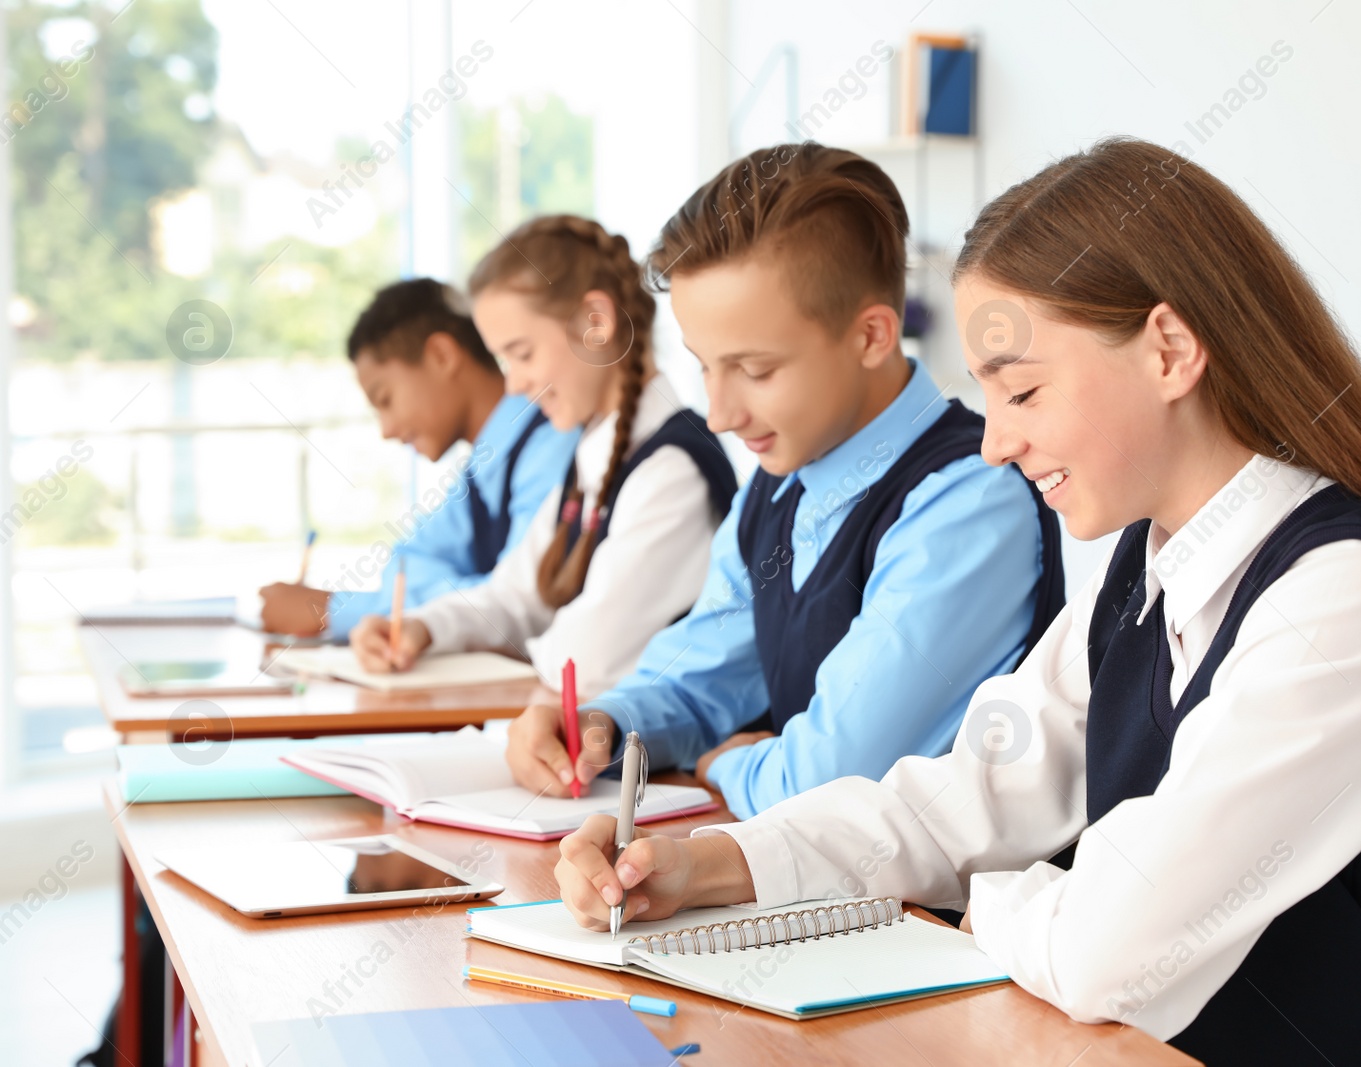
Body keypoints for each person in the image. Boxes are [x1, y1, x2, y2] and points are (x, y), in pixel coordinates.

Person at [552, 139, 1361, 1066]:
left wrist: (987, 896)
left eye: (1024, 392)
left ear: (1170, 351)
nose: (994, 439)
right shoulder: (1143, 573)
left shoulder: (1345, 599)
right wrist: (703, 864)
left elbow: (1107, 951)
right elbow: (959, 797)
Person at [504, 143, 1063, 818]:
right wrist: (601, 726)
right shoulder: (776, 488)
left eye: (756, 370)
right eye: (705, 366)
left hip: (935, 918)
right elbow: (696, 679)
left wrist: (725, 761)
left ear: (872, 336)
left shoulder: (970, 500)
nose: (718, 413)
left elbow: (826, 780)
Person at [348, 216, 737, 704]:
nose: (513, 385)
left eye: (522, 354)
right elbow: (516, 594)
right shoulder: (590, 460)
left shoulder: (671, 471)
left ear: (596, 322)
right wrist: (422, 628)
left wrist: (507, 650)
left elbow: (586, 660)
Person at [257, 277, 577, 639]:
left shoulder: (553, 445)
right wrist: (466, 591)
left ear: (442, 356)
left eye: (385, 399)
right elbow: (404, 566)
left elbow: (519, 600)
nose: (387, 430)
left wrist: (332, 611)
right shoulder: (481, 472)